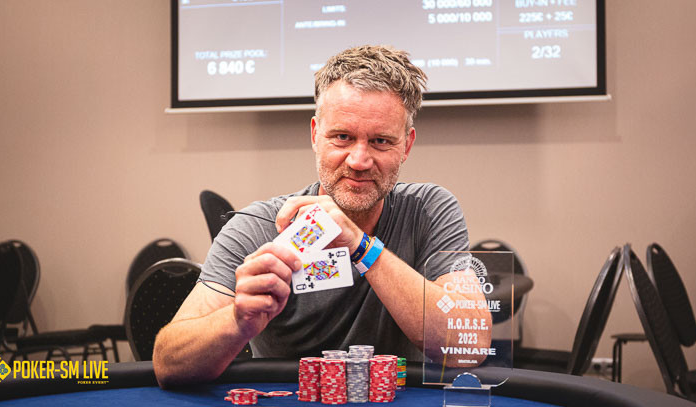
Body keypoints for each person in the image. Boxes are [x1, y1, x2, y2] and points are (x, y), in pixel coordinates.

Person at [153, 45, 491, 387]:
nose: (359, 161)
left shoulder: (429, 211)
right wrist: (236, 322)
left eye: (381, 141)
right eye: (342, 137)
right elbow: (168, 364)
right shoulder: (257, 227)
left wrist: (361, 246)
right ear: (315, 135)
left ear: (406, 144)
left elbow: (470, 347)